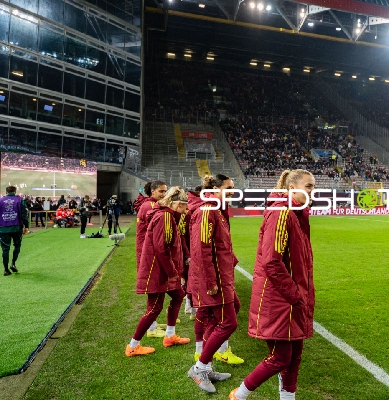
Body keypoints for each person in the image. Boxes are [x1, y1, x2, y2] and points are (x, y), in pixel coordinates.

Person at [229, 169, 316, 400]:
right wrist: (296, 295)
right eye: (308, 186)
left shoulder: (296, 213)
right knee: (280, 358)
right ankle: (239, 394)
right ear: (292, 188)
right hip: (280, 299)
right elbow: (271, 262)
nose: (312, 191)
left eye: (313, 187)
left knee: (295, 356)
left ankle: (287, 398)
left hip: (292, 299)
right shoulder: (281, 213)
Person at [187, 175, 243, 394]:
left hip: (222, 275)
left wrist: (231, 261)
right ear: (214, 188)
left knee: (227, 313)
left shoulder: (217, 209)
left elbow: (219, 245)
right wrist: (210, 280)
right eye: (229, 187)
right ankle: (199, 368)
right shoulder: (207, 211)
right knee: (229, 323)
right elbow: (201, 249)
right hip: (213, 279)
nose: (232, 191)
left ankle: (206, 366)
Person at [125, 186, 190, 357]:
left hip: (161, 269)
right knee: (154, 308)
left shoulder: (166, 215)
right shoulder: (165, 216)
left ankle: (170, 336)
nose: (186, 210)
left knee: (178, 295)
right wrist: (172, 271)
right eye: (185, 206)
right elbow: (162, 248)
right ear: (178, 204)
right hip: (158, 270)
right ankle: (133, 346)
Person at [134, 180, 169, 338]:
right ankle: (151, 328)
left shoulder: (150, 204)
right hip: (149, 254)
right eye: (161, 191)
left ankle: (153, 323)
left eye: (165, 191)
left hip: (148, 252)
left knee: (157, 289)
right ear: (152, 191)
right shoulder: (150, 206)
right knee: (154, 289)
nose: (164, 194)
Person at [0, 186, 29, 276]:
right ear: (15, 191)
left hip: (3, 228)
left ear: (6, 191)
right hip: (16, 227)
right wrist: (26, 226)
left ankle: (6, 270)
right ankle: (13, 263)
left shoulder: (1, 200)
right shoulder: (20, 200)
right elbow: (24, 214)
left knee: (5, 249)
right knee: (17, 245)